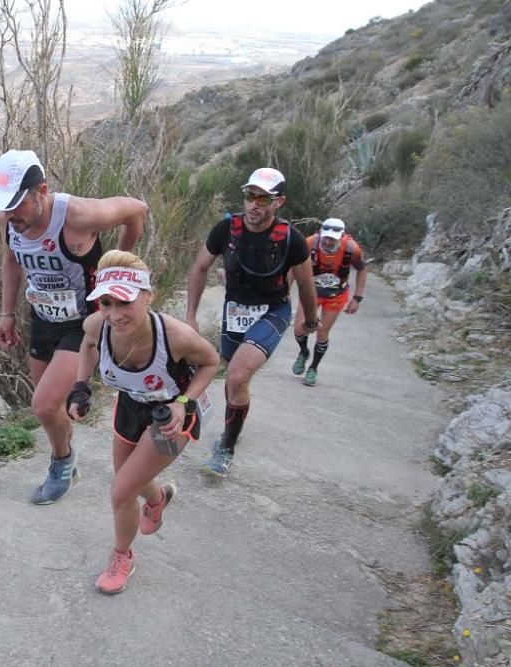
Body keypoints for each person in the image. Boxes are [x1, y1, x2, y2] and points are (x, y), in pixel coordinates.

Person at [0, 149, 147, 504]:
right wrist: (6, 313)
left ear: (41, 191)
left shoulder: (77, 214)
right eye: (4, 206)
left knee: (42, 406)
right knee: (49, 407)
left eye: (17, 204)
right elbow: (11, 259)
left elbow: (137, 210)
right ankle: (66, 457)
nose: (11, 215)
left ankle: (61, 462)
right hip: (42, 317)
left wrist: (115, 268)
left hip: (83, 323)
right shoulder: (6, 221)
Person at [67, 250, 219, 594]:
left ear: (148, 296)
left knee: (121, 491)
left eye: (124, 303)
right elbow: (89, 344)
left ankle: (122, 556)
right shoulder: (97, 325)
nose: (114, 315)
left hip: (170, 418)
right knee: (129, 482)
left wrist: (185, 402)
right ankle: (158, 497)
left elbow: (211, 362)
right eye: (106, 303)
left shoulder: (175, 336)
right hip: (130, 409)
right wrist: (80, 387)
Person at [185, 167, 319, 477]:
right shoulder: (225, 230)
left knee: (235, 374)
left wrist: (309, 320)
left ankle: (226, 447)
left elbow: (306, 284)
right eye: (250, 196)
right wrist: (191, 316)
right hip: (235, 311)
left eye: (263, 198)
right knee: (236, 379)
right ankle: (237, 420)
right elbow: (200, 267)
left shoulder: (292, 240)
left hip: (273, 311)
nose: (255, 204)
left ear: (279, 202)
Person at [291, 218, 367, 386]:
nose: (328, 241)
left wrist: (357, 298)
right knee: (299, 328)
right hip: (310, 292)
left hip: (336, 295)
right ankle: (303, 352)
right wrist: (285, 291)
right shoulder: (310, 243)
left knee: (322, 332)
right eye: (326, 237)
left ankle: (313, 368)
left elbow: (362, 269)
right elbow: (292, 265)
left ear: (341, 237)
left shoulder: (351, 248)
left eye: (332, 238)